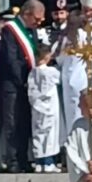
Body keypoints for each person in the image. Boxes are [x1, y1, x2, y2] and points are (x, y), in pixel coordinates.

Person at [0, 0, 44, 173]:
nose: (39, 23)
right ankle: (13, 160)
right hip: (13, 84)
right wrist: (22, 79)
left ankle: (24, 158)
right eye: (37, 19)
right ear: (26, 13)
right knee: (12, 121)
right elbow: (11, 58)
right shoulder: (10, 30)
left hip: (28, 84)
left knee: (25, 121)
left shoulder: (32, 30)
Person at [57, 10, 92, 143]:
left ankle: (75, 146)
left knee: (75, 116)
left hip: (74, 81)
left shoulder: (66, 40)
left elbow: (59, 60)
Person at [28, 44, 63, 173]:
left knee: (38, 133)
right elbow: (60, 79)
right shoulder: (51, 71)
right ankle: (48, 162)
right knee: (50, 135)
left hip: (37, 107)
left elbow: (31, 91)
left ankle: (39, 162)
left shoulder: (32, 72)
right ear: (47, 56)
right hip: (50, 107)